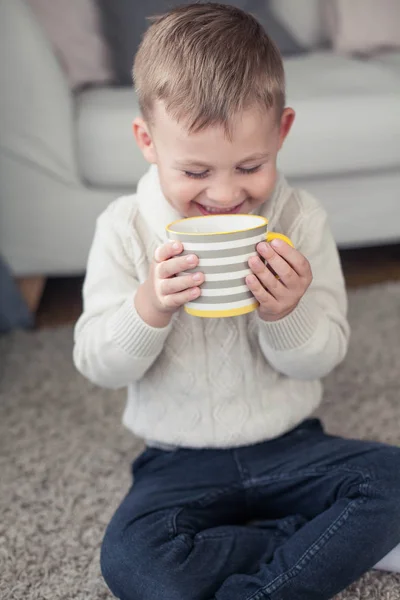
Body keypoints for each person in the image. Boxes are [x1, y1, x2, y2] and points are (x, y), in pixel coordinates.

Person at [73, 4, 400, 599]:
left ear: (282, 132)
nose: (225, 195)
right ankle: (311, 540)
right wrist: (149, 307)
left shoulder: (300, 220)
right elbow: (96, 362)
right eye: (195, 171)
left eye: (250, 166)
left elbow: (321, 358)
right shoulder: (123, 228)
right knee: (134, 563)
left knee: (394, 482)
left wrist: (286, 314)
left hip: (290, 443)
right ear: (147, 140)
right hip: (177, 460)